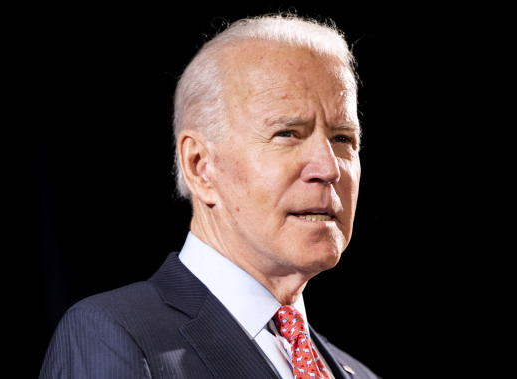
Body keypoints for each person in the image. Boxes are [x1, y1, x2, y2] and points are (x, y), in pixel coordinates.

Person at [40, 12, 380, 379]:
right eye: (288, 133)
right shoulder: (116, 335)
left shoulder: (359, 374)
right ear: (200, 166)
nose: (329, 168)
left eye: (343, 138)